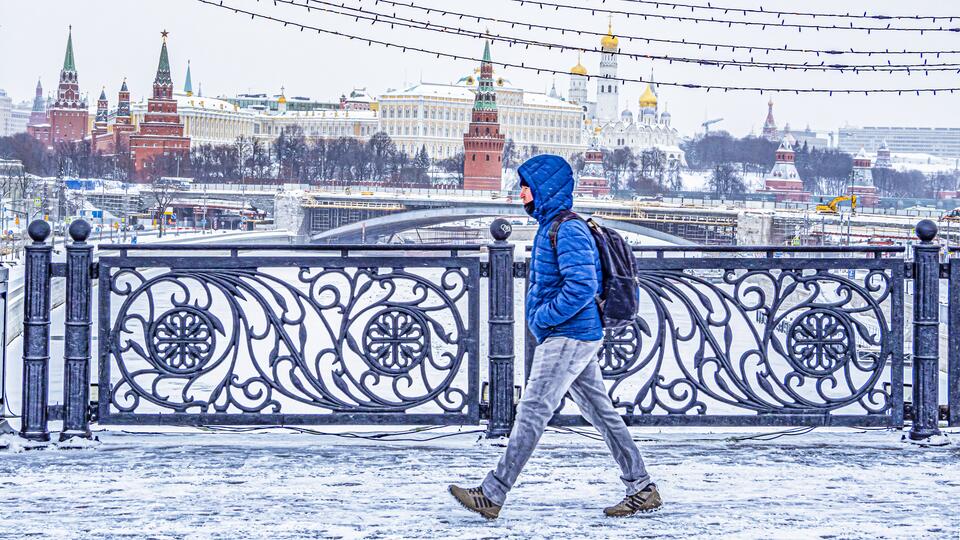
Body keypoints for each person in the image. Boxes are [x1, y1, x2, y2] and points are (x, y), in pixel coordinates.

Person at [449, 155, 660, 520]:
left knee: (531, 412)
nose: (521, 193)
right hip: (574, 336)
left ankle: (493, 493)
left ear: (545, 189)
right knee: (602, 414)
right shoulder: (554, 226)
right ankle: (641, 487)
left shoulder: (568, 229)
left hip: (568, 336)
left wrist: (543, 318)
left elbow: (581, 286)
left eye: (526, 186)